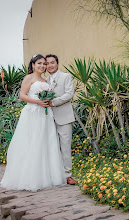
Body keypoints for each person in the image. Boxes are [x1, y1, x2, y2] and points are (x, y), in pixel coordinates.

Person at [0, 54, 66, 192]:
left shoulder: (45, 80)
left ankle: (47, 177)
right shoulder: (28, 78)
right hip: (32, 113)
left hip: (45, 115)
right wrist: (38, 102)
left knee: (45, 142)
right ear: (33, 65)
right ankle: (30, 178)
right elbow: (22, 95)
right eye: (39, 63)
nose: (42, 66)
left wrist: (47, 101)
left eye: (44, 64)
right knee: (32, 142)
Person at [46, 54, 77, 185]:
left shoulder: (66, 77)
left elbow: (69, 94)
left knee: (65, 146)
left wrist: (53, 102)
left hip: (64, 117)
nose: (50, 65)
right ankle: (54, 175)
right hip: (48, 118)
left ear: (57, 63)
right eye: (47, 63)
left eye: (52, 62)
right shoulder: (44, 81)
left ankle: (68, 175)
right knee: (51, 147)